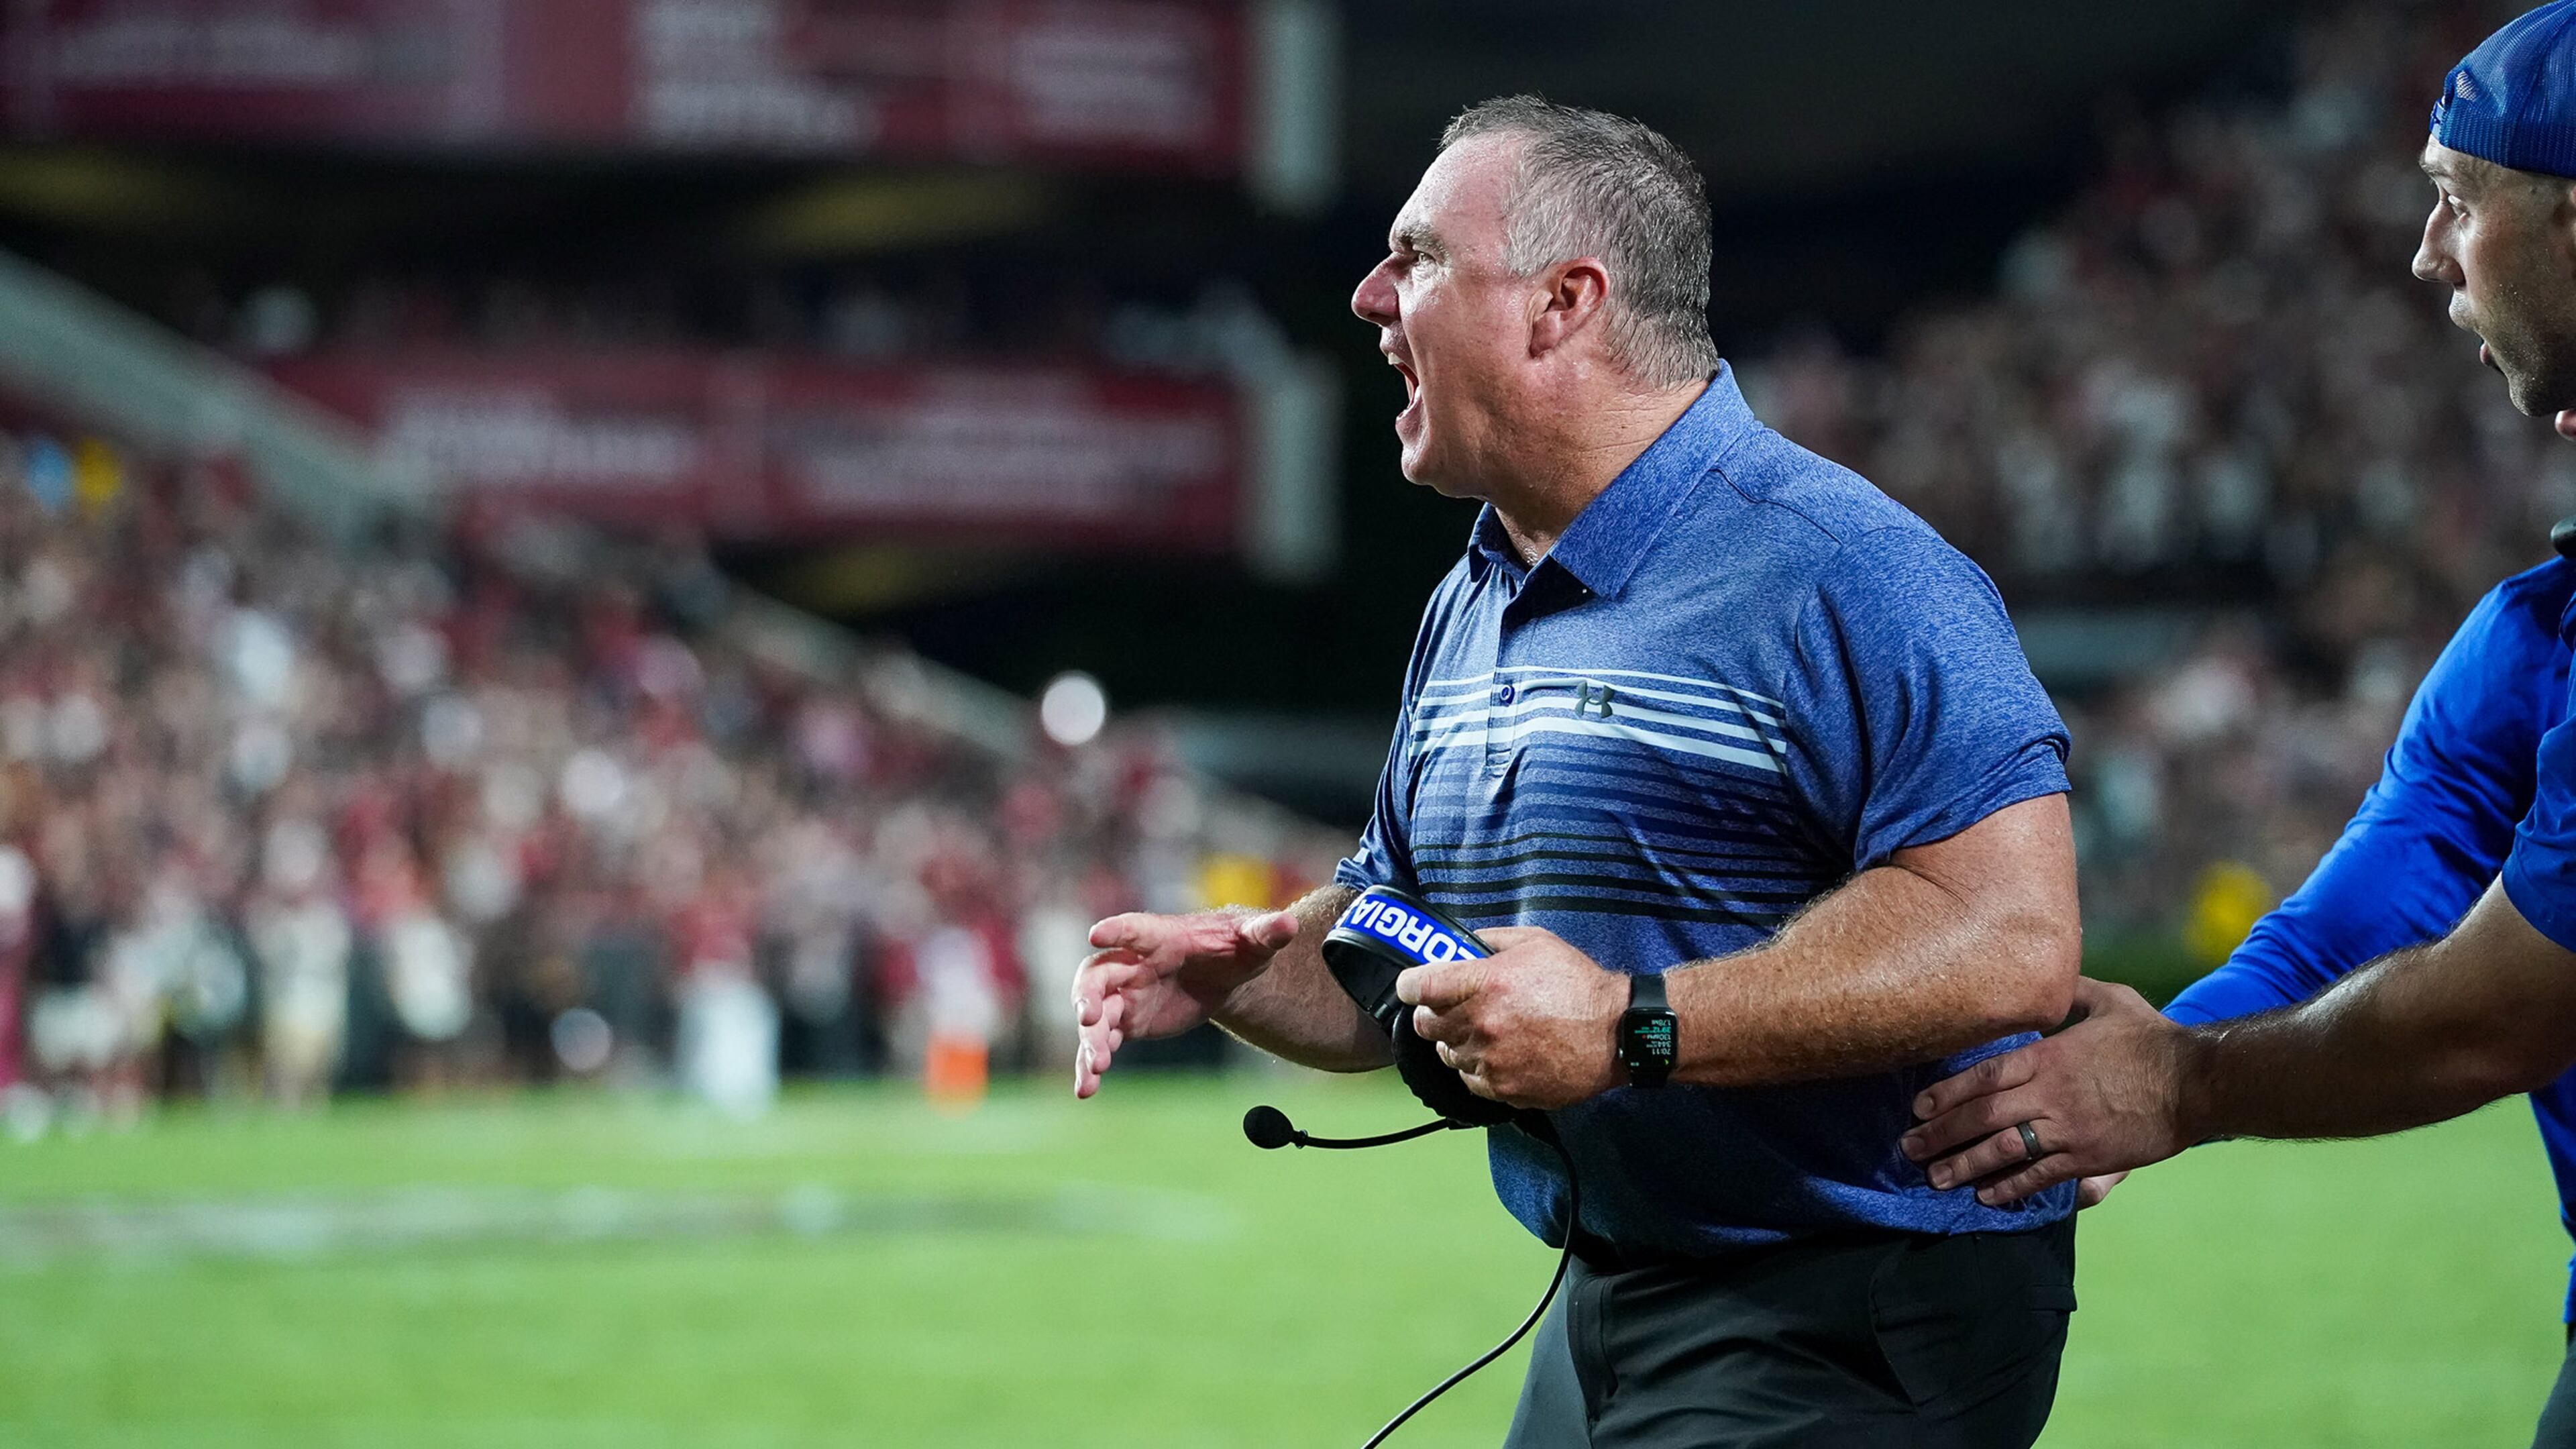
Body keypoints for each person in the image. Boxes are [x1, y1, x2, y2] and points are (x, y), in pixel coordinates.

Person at [1072, 96, 2085, 1446]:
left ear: (1563, 302)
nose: (1372, 297)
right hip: (1608, 1292)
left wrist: (1633, 1025)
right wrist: (1250, 968)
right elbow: (1403, 944)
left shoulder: (1849, 571)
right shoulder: (1475, 596)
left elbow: (2013, 940)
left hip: (1854, 1307)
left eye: (1419, 256)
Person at [1897, 5, 2576, 1443]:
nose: (2426, 255)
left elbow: (2513, 1005)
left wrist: (2184, 1085)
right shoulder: (2538, 634)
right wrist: (2105, 1076)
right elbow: (2379, 905)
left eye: (2459, 201)